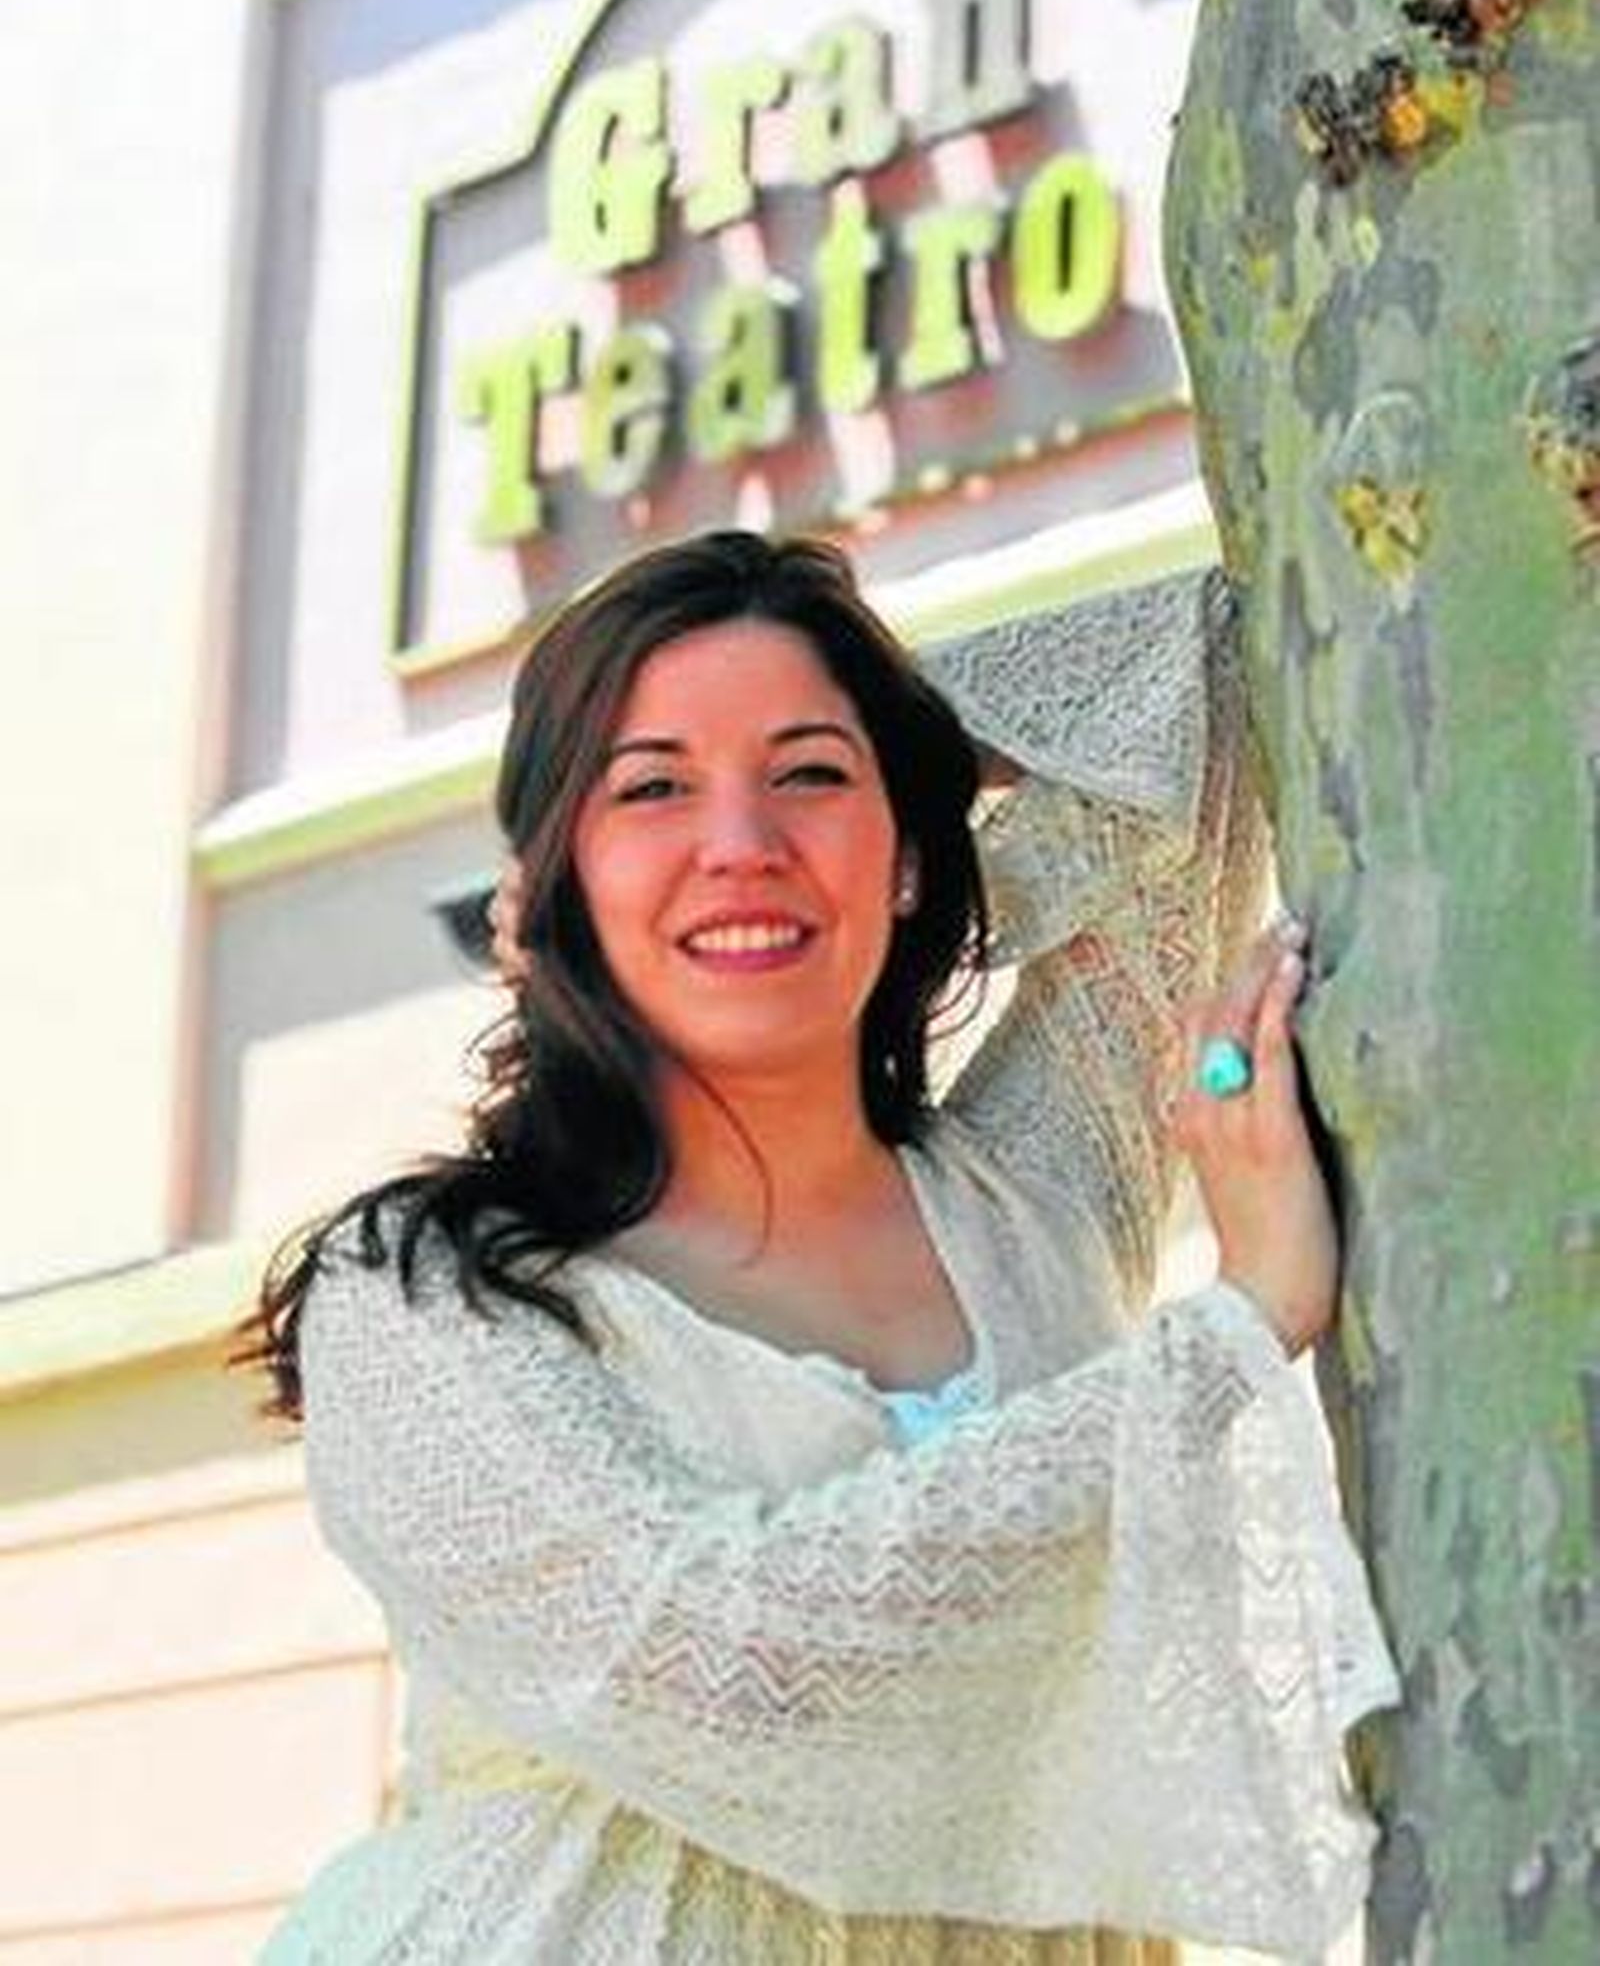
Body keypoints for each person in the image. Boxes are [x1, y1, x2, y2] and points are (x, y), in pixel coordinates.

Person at [240, 529, 1397, 1963]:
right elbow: (718, 1655)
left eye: (808, 778)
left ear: (910, 854)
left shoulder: (1035, 1192)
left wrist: (887, 736)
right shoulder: (428, 1295)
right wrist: (1233, 1335)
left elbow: (1193, 687)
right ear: (551, 887)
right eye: (651, 789)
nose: (741, 845)